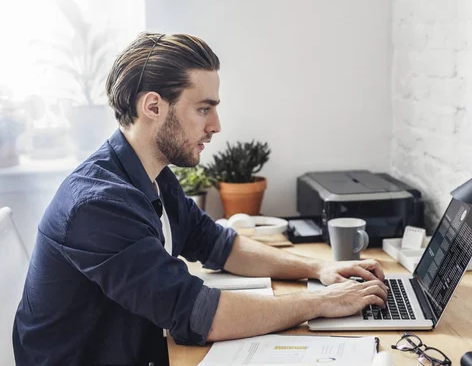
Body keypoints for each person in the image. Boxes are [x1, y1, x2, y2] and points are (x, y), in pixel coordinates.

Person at [13, 33, 388, 365]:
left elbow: (215, 243)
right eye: (204, 108)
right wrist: (323, 303)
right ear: (154, 107)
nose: (216, 125)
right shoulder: (97, 206)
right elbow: (198, 315)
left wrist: (317, 270)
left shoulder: (151, 171)